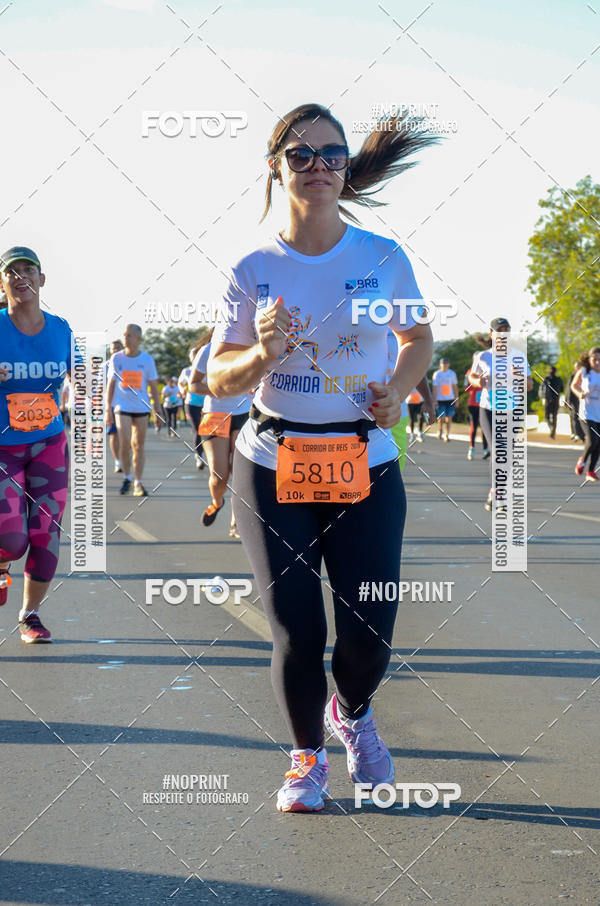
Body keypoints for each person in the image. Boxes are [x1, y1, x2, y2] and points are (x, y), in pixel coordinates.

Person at [207, 103, 435, 812]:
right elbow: (218, 378)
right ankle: (305, 761)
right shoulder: (253, 267)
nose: (317, 168)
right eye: (300, 156)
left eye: (330, 154)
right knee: (297, 629)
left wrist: (398, 392)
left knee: (369, 631)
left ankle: (354, 713)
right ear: (276, 168)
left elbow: (418, 339)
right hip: (274, 464)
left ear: (346, 166)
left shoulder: (382, 257)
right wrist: (262, 353)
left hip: (365, 460)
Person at [0, 247, 72, 642]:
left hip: (49, 444)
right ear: (3, 282)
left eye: (29, 270)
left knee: (46, 531)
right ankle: (2, 563)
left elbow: (79, 375)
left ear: (41, 280)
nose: (21, 276)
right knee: (11, 540)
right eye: (12, 271)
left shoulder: (61, 329)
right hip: (3, 449)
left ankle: (30, 614)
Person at [469, 318, 533, 511]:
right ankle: (498, 493)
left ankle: (497, 491)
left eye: (506, 330)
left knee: (508, 453)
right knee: (498, 451)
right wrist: (479, 380)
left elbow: (529, 385)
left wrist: (520, 375)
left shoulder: (519, 357)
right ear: (492, 335)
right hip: (488, 409)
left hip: (511, 410)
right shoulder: (483, 357)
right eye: (499, 331)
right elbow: (471, 377)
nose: (503, 334)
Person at [189, 341, 250, 537]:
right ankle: (217, 502)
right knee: (219, 475)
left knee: (240, 472)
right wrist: (220, 389)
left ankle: (236, 520)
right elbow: (194, 384)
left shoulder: (252, 345)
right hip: (215, 414)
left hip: (245, 412)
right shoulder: (208, 350)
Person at [106, 324, 162, 497]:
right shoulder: (117, 358)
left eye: (129, 335)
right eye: (124, 335)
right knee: (125, 443)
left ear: (138, 338)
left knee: (138, 445)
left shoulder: (147, 360)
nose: (125, 338)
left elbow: (153, 387)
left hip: (141, 407)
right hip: (122, 407)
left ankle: (138, 481)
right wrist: (108, 408)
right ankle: (127, 476)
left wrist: (157, 411)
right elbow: (111, 384)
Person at [571, 347, 600, 481]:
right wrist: (580, 394)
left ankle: (590, 472)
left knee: (598, 442)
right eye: (595, 360)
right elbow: (574, 385)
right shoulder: (584, 371)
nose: (597, 363)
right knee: (592, 440)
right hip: (586, 412)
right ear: (589, 360)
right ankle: (582, 460)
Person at [178, 342, 206, 469]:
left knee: (207, 430)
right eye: (194, 356)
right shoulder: (187, 371)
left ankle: (208, 453)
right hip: (191, 403)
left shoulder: (207, 368)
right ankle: (199, 456)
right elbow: (180, 383)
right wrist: (182, 389)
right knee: (197, 429)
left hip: (207, 404)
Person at [465, 354, 489, 460]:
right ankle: (471, 448)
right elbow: (466, 389)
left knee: (485, 427)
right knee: (474, 426)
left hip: (485, 403)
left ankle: (485, 450)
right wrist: (476, 382)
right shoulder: (470, 373)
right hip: (473, 404)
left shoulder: (488, 370)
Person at [106, 339, 124, 473]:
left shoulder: (128, 363)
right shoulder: (104, 367)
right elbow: (99, 388)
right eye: (114, 348)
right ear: (110, 351)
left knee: (127, 436)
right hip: (111, 405)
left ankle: (126, 460)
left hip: (127, 406)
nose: (116, 350)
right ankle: (117, 461)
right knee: (114, 434)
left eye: (118, 347)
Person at [431, 358, 457, 441]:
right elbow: (434, 387)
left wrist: (457, 399)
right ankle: (440, 430)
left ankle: (447, 434)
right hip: (440, 399)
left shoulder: (452, 373)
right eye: (443, 363)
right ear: (440, 364)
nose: (445, 365)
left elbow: (454, 386)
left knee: (449, 417)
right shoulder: (437, 374)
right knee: (441, 417)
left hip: (450, 399)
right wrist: (434, 400)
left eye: (446, 363)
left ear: (448, 364)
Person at [540, 365, 564, 439]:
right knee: (554, 417)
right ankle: (553, 431)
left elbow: (542, 389)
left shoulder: (546, 379)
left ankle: (551, 428)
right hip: (556, 400)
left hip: (548, 400)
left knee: (547, 416)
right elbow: (562, 389)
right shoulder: (559, 379)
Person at [566, 359, 585, 442]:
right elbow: (569, 390)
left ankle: (580, 434)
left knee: (580, 417)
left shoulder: (585, 375)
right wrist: (568, 401)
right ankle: (576, 433)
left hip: (582, 401)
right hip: (574, 400)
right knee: (574, 417)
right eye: (577, 367)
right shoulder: (573, 376)